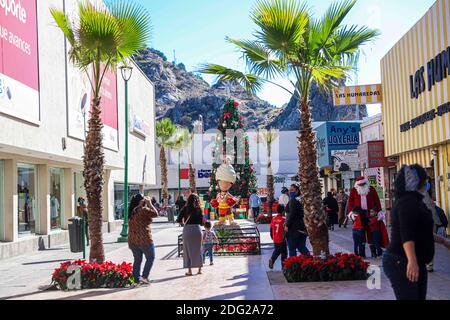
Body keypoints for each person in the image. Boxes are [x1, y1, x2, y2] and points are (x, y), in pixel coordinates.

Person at [383, 165, 435, 300]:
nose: (426, 183)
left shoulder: (416, 201)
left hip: (416, 259)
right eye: (424, 180)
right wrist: (412, 261)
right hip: (401, 260)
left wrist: (442, 241)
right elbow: (407, 233)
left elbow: (419, 229)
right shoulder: (407, 202)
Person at [128, 194, 158, 285]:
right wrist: (150, 203)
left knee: (137, 260)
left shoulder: (132, 211)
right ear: (140, 201)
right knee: (151, 257)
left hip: (132, 240)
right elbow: (156, 214)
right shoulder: (143, 210)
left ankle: (136, 280)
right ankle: (144, 277)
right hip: (144, 239)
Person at [176, 193, 204, 276]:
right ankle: (199, 270)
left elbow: (179, 220)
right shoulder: (199, 209)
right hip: (197, 230)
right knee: (199, 249)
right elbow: (201, 222)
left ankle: (190, 271)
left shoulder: (185, 208)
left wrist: (184, 222)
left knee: (187, 250)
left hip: (188, 230)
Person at [285, 183, 309, 257]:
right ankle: (309, 261)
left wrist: (287, 224)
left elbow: (292, 214)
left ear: (297, 191)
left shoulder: (293, 200)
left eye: (292, 190)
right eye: (289, 190)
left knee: (292, 248)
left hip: (293, 228)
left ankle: (293, 264)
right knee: (301, 247)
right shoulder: (301, 199)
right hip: (302, 227)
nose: (290, 192)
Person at [269, 204, 288, 269]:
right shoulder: (283, 220)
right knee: (284, 253)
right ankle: (284, 266)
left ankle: (272, 259)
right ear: (283, 212)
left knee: (277, 250)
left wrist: (272, 236)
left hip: (275, 238)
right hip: (282, 239)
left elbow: (271, 228)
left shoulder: (273, 219)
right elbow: (285, 230)